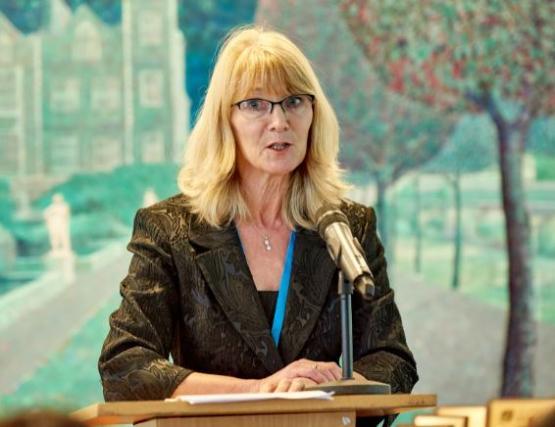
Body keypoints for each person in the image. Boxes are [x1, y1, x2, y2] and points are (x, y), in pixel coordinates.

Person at [99, 26, 417, 405]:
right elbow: (124, 367)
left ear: (314, 114)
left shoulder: (347, 226)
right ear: (224, 120)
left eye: (294, 101)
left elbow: (393, 359)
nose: (279, 122)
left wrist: (339, 390)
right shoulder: (170, 229)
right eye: (255, 104)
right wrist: (260, 390)